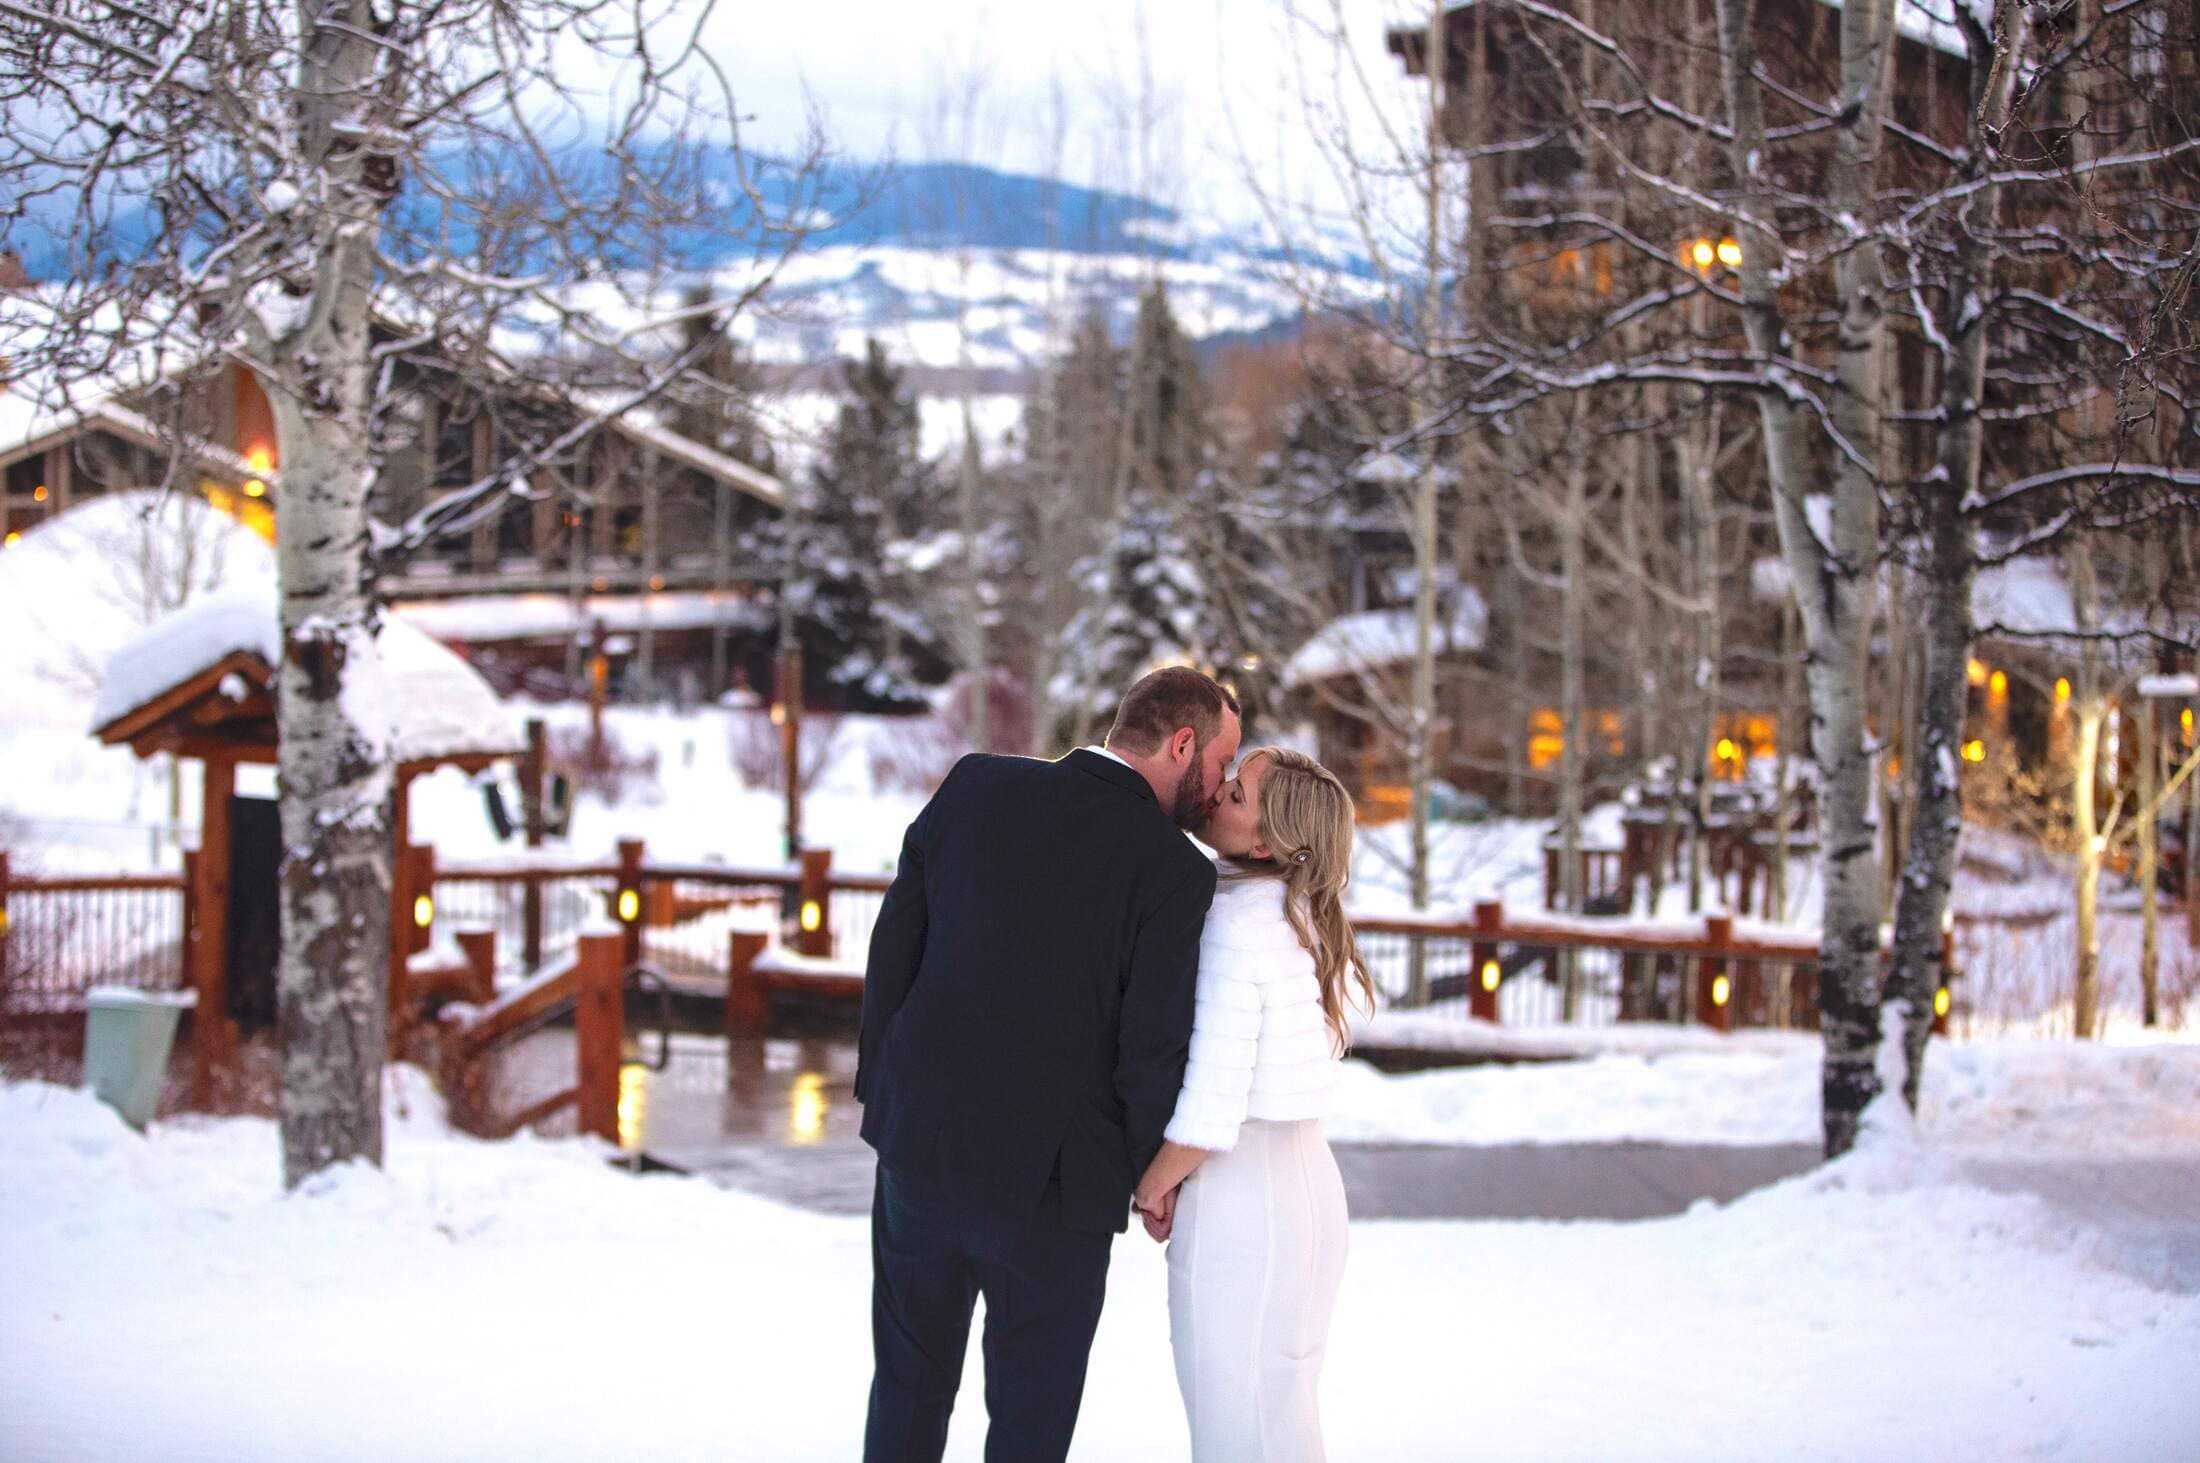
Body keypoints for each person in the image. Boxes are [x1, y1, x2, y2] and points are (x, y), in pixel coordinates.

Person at [856, 665, 1242, 1463]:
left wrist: (886, 1095)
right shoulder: (1174, 871)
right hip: (1056, 1191)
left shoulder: (974, 786)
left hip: (920, 1151)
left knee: (905, 1386)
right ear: (1181, 743)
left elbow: (895, 946)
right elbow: (1152, 1044)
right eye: (1221, 763)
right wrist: (1148, 1173)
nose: (1222, 785)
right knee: (1029, 1427)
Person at [1133, 747, 1373, 1463]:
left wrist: (1151, 1185)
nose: (1215, 794)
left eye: (1235, 795)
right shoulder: (1298, 917)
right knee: (1283, 1418)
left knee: (1231, 1425)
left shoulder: (1236, 928)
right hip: (1309, 1191)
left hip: (1244, 1204)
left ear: (1268, 841)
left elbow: (1213, 1101)